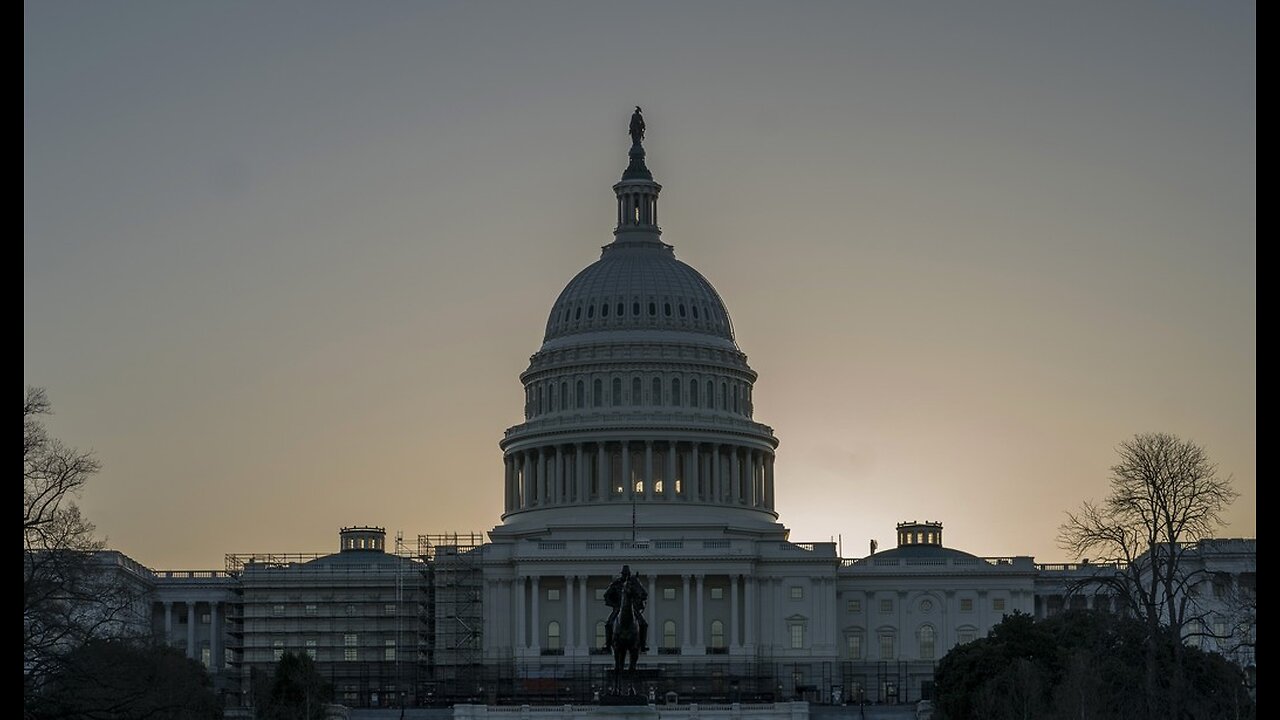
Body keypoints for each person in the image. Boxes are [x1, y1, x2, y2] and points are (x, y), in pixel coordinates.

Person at [603, 564, 648, 652]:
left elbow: (644, 594)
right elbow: (606, 595)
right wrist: (614, 604)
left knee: (643, 624)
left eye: (627, 574)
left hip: (633, 608)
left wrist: (639, 599)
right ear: (622, 574)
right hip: (618, 608)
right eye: (624, 574)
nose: (626, 576)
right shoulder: (616, 583)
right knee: (608, 624)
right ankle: (608, 644)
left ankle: (643, 644)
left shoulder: (634, 583)